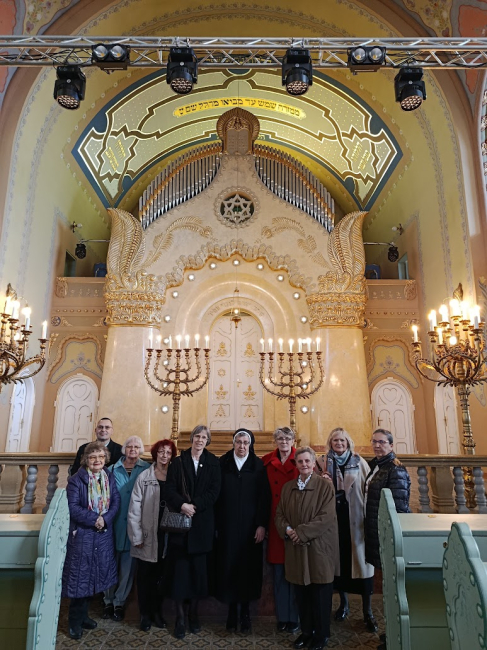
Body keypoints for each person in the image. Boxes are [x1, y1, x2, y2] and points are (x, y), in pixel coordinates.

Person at [276, 446, 339, 650]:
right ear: (296, 464)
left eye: (307, 461)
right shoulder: (288, 487)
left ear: (313, 464)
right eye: (300, 461)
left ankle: (321, 635)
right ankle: (306, 632)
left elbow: (326, 517)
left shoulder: (325, 486)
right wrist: (288, 530)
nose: (304, 464)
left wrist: (300, 532)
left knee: (320, 594)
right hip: (296, 549)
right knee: (301, 594)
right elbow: (280, 514)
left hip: (318, 548)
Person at [164, 424, 221, 640]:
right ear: (192, 439)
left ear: (208, 441)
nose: (200, 440)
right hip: (180, 527)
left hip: (202, 525)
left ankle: (194, 615)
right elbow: (169, 489)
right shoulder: (178, 462)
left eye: (204, 437)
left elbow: (215, 491)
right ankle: (180, 618)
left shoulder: (213, 462)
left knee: (199, 575)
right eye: (197, 436)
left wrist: (194, 505)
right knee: (180, 576)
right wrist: (182, 505)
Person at [317, 427, 376, 633]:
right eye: (335, 440)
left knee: (362, 566)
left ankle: (368, 611)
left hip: (356, 519)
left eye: (342, 440)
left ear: (348, 442)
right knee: (339, 565)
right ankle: (344, 604)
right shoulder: (322, 462)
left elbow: (368, 491)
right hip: (334, 520)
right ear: (330, 443)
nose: (339, 443)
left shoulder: (359, 462)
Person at [61, 441, 121, 640]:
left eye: (101, 457)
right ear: (86, 459)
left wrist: (106, 519)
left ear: (106, 459)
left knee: (94, 576)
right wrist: (95, 519)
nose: (97, 460)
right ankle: (74, 621)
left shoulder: (109, 477)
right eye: (93, 457)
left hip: (102, 534)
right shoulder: (76, 480)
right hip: (83, 535)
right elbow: (73, 507)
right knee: (80, 578)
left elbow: (116, 501)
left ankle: (84, 616)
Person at [214, 428, 271, 633]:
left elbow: (264, 498)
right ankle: (231, 612)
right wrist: (216, 525)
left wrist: (261, 524)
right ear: (233, 443)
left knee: (248, 569)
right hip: (227, 527)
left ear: (251, 445)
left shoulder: (258, 466)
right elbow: (216, 496)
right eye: (238, 442)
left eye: (246, 443)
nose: (242, 446)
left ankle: (245, 612)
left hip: (250, 529)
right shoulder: (223, 464)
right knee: (228, 566)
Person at [127, 438, 177, 631]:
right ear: (155, 453)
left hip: (167, 533)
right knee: (145, 577)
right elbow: (134, 509)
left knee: (161, 576)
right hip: (147, 534)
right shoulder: (145, 477)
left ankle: (157, 612)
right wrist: (137, 536)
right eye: (161, 451)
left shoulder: (174, 475)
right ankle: (145, 615)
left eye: (168, 452)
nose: (164, 455)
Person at [103, 435, 150, 622]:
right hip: (113, 524)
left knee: (128, 567)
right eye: (129, 446)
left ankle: (119, 602)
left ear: (140, 450)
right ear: (124, 449)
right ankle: (107, 600)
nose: (133, 449)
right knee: (109, 564)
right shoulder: (111, 470)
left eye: (136, 447)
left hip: (134, 526)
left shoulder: (147, 469)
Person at [262, 426, 300, 633]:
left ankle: (294, 616)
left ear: (293, 441)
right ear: (275, 441)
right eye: (280, 438)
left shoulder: (302, 459)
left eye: (287, 438)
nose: (284, 441)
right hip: (275, 523)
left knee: (295, 572)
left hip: (296, 524)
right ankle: (282, 616)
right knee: (278, 573)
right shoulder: (266, 461)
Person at [365, 428, 411, 570]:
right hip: (374, 522)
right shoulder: (374, 465)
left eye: (381, 442)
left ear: (391, 445)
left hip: (386, 526)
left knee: (388, 565)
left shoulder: (396, 469)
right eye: (374, 441)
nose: (377, 445)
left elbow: (398, 505)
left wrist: (390, 528)